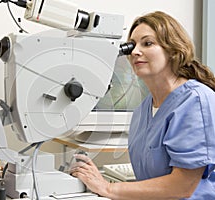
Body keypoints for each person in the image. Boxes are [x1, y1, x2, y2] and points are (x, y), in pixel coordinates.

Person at [71, 11, 215, 199]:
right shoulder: (143, 110)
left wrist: (108, 188)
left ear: (173, 50)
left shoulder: (194, 101)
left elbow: (183, 186)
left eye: (147, 43)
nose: (135, 51)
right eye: (132, 45)